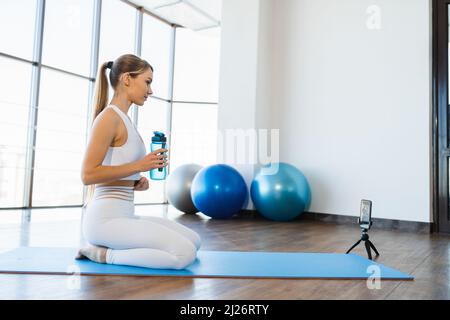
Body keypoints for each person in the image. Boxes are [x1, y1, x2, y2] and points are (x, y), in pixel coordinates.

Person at [76, 54, 201, 270]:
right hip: (104, 221)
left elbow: (115, 168)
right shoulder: (108, 118)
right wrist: (138, 166)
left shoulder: (125, 119)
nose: (150, 90)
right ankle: (104, 254)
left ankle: (114, 249)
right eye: (147, 82)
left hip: (125, 214)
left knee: (195, 241)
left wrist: (134, 181)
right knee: (184, 253)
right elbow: (87, 175)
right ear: (127, 79)